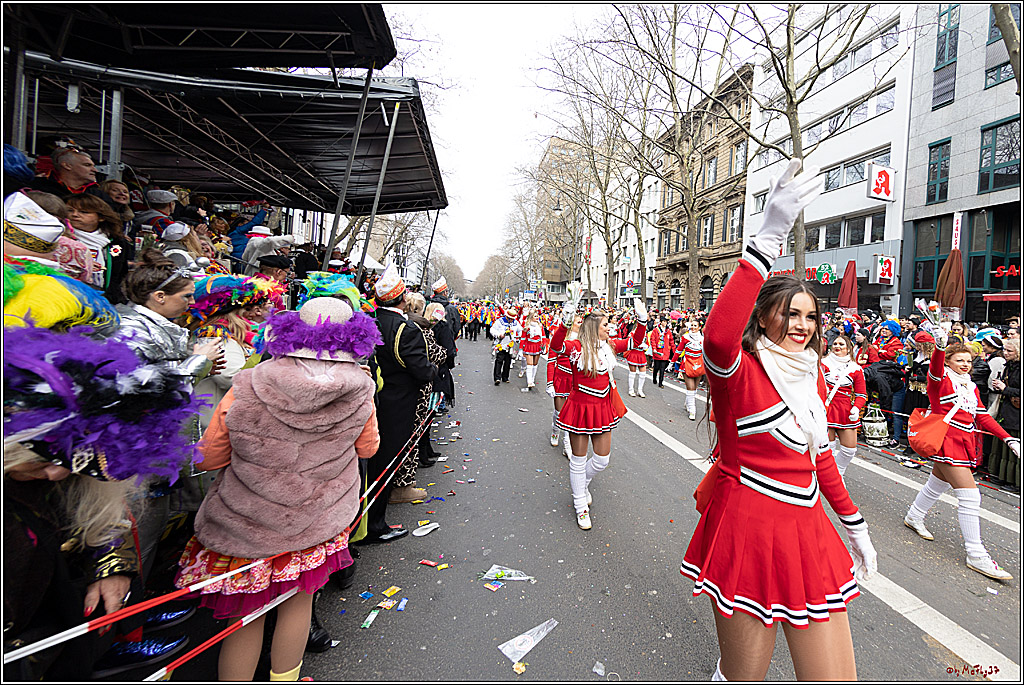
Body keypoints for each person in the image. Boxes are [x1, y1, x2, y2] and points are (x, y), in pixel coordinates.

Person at [683, 160, 875, 681]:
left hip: (808, 532)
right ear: (765, 315)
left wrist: (854, 524)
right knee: (746, 678)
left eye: (811, 316)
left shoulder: (811, 375)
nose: (802, 325)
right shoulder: (739, 374)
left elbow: (821, 456)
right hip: (750, 534)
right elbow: (717, 338)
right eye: (790, 313)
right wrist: (763, 244)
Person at [175, 296, 381, 681]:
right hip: (316, 519)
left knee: (245, 617)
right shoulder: (361, 389)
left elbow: (209, 458)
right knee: (298, 604)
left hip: (246, 520)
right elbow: (368, 448)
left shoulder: (251, 382)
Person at [113, 251, 225, 594]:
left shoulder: (158, 326)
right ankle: (125, 629)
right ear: (158, 297)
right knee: (135, 537)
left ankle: (139, 610)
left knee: (153, 528)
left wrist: (200, 364)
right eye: (186, 296)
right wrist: (198, 363)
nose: (192, 303)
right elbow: (134, 386)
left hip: (162, 449)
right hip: (138, 453)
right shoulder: (131, 329)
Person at [903, 340, 1020, 580]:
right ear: (948, 361)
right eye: (959, 360)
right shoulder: (940, 381)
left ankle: (914, 516)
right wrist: (939, 346)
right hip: (946, 440)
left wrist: (1008, 439)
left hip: (964, 441)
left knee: (938, 483)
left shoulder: (971, 387)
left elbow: (982, 416)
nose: (965, 365)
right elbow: (934, 370)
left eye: (969, 361)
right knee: (970, 496)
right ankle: (975, 553)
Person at [549, 290, 648, 530]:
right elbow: (555, 345)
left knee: (602, 460)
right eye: (606, 324)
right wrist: (564, 321)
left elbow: (634, 342)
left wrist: (642, 321)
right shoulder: (575, 347)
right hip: (580, 408)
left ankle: (583, 483)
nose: (610, 327)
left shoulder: (609, 346)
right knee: (578, 461)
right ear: (594, 327)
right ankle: (580, 505)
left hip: (603, 408)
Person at [362, 264, 436, 543]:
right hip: (397, 403)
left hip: (369, 398)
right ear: (402, 297)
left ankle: (366, 519)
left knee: (367, 463)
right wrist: (433, 372)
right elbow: (419, 368)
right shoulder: (406, 328)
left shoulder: (369, 320)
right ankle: (375, 525)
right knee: (385, 462)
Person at [65, 193, 134, 304]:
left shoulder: (116, 242)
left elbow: (120, 276)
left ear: (101, 217)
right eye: (69, 210)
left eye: (84, 212)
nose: (75, 215)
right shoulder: (61, 238)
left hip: (106, 301)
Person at [822, 335, 868, 477]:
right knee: (826, 449)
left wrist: (856, 408)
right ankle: (829, 477)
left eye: (841, 344)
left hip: (846, 411)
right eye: (835, 343)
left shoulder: (856, 369)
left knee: (849, 450)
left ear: (848, 348)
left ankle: (839, 471)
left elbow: (861, 394)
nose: (837, 346)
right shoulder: (821, 364)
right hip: (825, 408)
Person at [28, 145, 116, 209]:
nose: (95, 170)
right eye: (87, 165)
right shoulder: (35, 187)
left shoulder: (100, 195)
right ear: (67, 166)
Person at [987, 339, 1020, 492]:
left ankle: (1016, 482)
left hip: (1016, 411)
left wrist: (1005, 388)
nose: (1006, 353)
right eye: (1005, 350)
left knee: (1014, 446)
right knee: (1003, 443)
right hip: (1006, 407)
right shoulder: (1009, 365)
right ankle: (1002, 476)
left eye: (1010, 351)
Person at [490, 305, 522, 385]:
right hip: (501, 344)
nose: (511, 320)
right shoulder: (499, 321)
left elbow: (520, 330)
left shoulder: (515, 323)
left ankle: (505, 377)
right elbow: (492, 329)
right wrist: (499, 335)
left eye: (512, 319)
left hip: (510, 345)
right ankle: (497, 378)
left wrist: (520, 336)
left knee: (508, 361)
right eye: (510, 318)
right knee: (499, 360)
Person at [624, 313, 649, 398]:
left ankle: (640, 390)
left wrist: (646, 346)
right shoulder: (632, 333)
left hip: (641, 354)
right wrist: (636, 345)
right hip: (634, 353)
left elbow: (647, 343)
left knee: (643, 373)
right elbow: (628, 342)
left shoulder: (645, 334)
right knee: (633, 373)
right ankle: (631, 389)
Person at [520, 307, 545, 389]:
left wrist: (544, 346)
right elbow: (523, 338)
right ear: (531, 317)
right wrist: (521, 349)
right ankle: (529, 381)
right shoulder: (527, 326)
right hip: (528, 346)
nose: (537, 317)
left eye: (537, 316)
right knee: (529, 365)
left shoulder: (540, 326)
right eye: (535, 316)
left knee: (535, 364)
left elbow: (543, 337)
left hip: (537, 346)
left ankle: (532, 379)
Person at [649, 316, 674, 388]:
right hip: (658, 351)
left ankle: (661, 382)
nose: (665, 323)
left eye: (666, 322)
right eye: (664, 321)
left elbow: (671, 341)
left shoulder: (668, 331)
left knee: (662, 368)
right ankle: (654, 378)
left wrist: (674, 350)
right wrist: (654, 348)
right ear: (661, 322)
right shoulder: (656, 330)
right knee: (656, 367)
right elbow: (652, 339)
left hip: (665, 352)